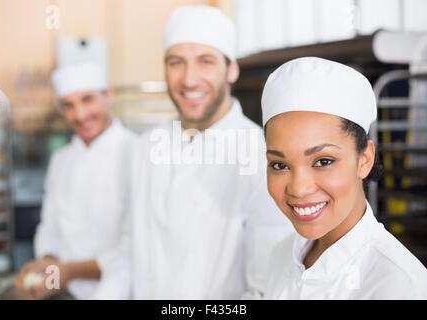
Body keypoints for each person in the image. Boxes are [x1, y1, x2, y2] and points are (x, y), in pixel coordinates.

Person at [93, 5, 292, 299]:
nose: (189, 79)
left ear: (232, 69)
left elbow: (265, 286)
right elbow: (128, 251)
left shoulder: (262, 156)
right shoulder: (145, 148)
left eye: (205, 61)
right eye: (176, 63)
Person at [259, 56, 427, 299]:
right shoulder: (280, 256)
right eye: (279, 164)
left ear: (365, 159)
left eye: (323, 161)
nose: (298, 188)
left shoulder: (402, 287)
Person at [15, 62, 138, 299]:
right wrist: (48, 264)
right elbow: (50, 226)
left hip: (122, 292)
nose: (80, 115)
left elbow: (134, 246)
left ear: (108, 95)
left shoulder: (135, 153)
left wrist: (67, 272)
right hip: (67, 292)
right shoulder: (61, 160)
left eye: (88, 99)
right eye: (68, 105)